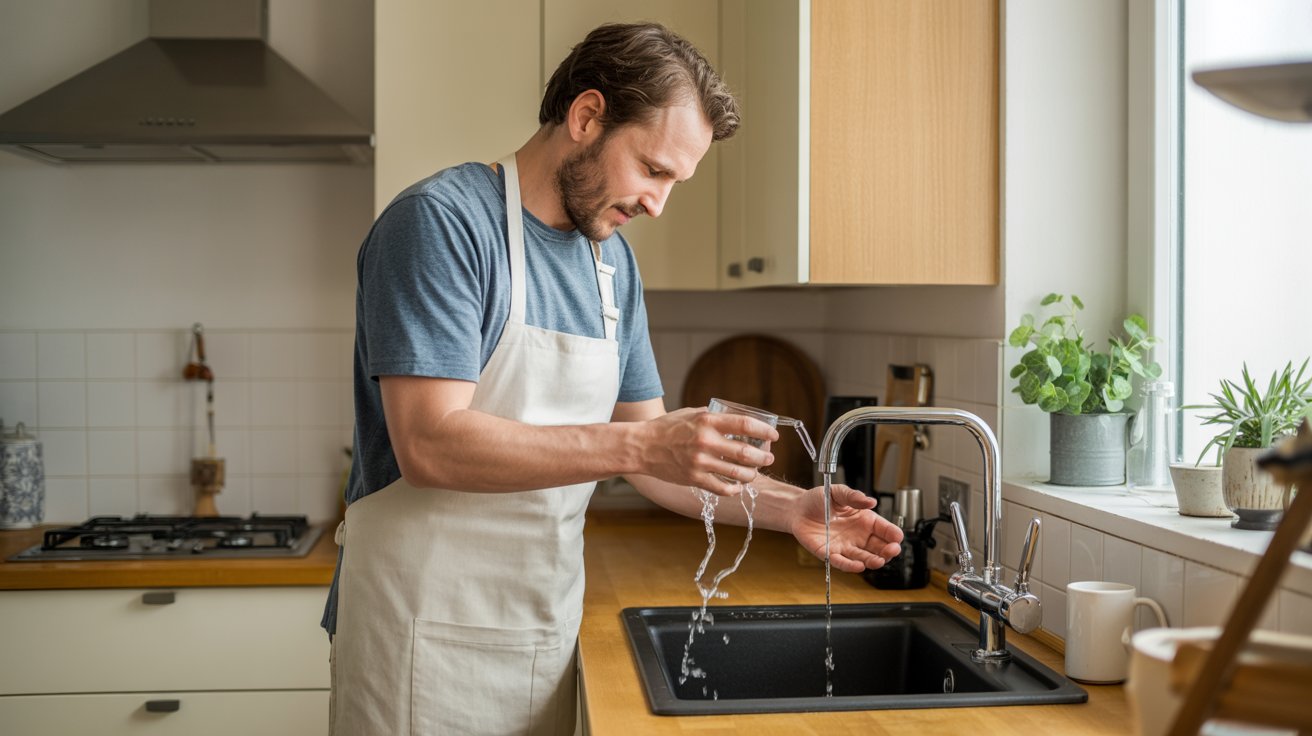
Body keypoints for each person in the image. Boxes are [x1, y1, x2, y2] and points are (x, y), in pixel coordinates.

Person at [323, 21, 904, 735]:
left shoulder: (610, 265)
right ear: (587, 116)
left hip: (538, 634)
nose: (658, 204)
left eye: (674, 183)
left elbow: (659, 461)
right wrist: (640, 449)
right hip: (415, 643)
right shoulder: (442, 224)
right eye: (653, 170)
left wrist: (787, 509)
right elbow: (431, 444)